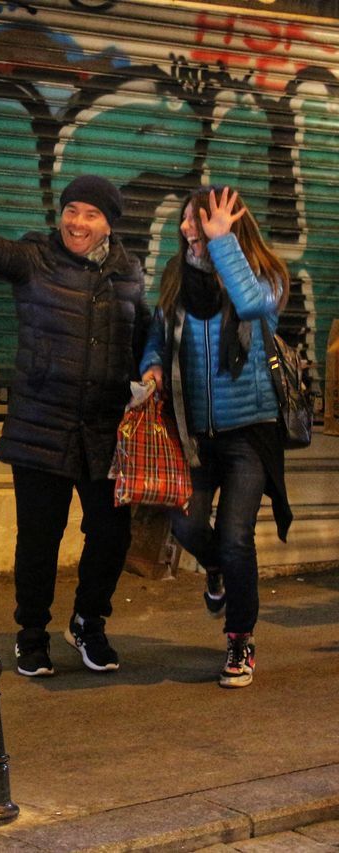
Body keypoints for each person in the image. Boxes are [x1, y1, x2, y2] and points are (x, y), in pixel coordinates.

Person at [0, 141, 148, 677]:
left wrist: (154, 368)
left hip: (105, 428)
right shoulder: (35, 258)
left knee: (111, 534)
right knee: (40, 537)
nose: (77, 222)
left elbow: (145, 336)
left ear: (109, 224)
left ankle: (89, 623)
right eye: (71, 211)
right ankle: (31, 633)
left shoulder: (130, 274)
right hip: (41, 422)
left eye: (91, 214)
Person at [140, 186, 292, 689]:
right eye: (186, 222)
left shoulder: (265, 273)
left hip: (251, 432)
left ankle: (239, 640)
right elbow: (157, 339)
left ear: (225, 225)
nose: (188, 230)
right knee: (184, 525)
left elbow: (252, 308)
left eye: (197, 221)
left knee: (235, 536)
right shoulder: (174, 277)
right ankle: (217, 569)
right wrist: (154, 368)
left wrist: (223, 243)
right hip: (193, 433)